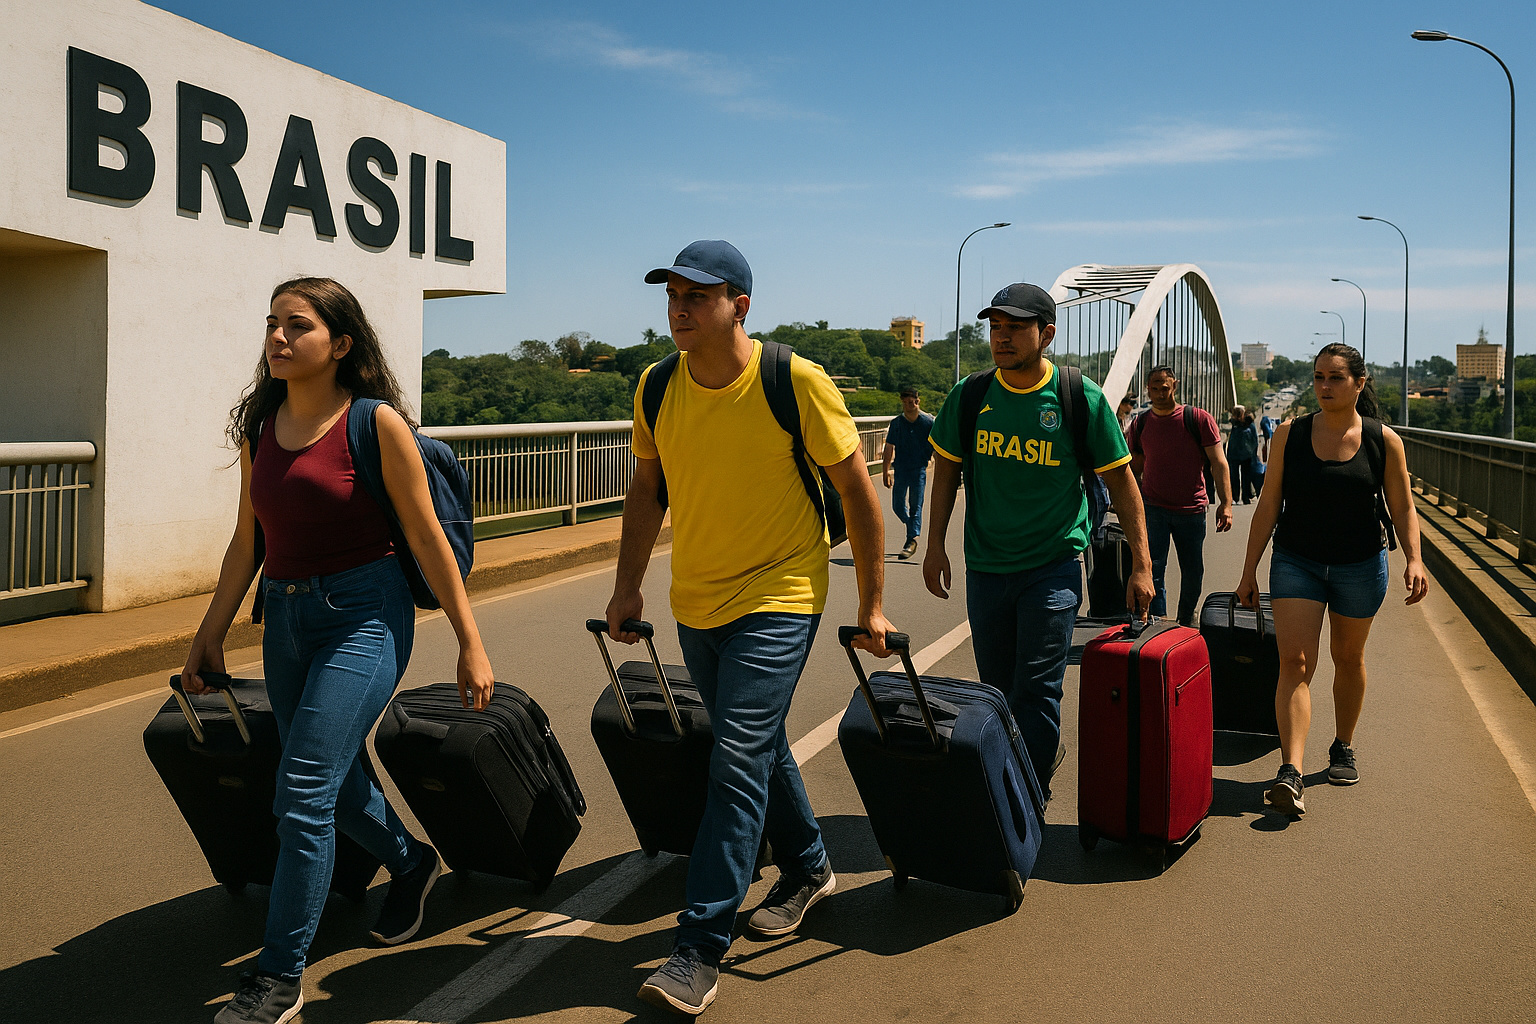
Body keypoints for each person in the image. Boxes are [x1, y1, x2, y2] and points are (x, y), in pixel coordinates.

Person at [182, 278, 495, 1024]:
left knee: (301, 794)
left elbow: (424, 536)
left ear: (341, 343)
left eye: (298, 326)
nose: (279, 339)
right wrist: (209, 632)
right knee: (322, 776)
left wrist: (469, 641)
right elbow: (246, 542)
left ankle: (278, 976)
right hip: (287, 619)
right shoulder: (262, 427)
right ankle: (411, 859)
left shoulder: (374, 423)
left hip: (366, 614)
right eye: (272, 325)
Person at [605, 240, 894, 1016]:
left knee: (732, 758)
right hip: (696, 601)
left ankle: (698, 948)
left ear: (740, 304)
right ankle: (807, 866)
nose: (679, 309)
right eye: (671, 296)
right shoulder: (657, 385)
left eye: (697, 296)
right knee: (755, 745)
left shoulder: (792, 379)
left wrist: (869, 601)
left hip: (782, 592)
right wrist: (628, 587)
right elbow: (646, 490)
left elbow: (859, 495)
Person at [923, 283, 1154, 792]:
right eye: (995, 327)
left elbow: (1121, 480)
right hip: (986, 568)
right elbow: (945, 471)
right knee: (997, 691)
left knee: (1038, 689)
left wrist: (1142, 563)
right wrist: (934, 541)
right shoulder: (972, 395)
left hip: (1053, 567)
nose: (1001, 338)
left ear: (1046, 334)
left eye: (1015, 328)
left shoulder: (1078, 397)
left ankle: (1027, 793)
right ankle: (1014, 775)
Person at [1235, 343, 1428, 816]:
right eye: (1319, 377)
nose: (1324, 386)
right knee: (1296, 662)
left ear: (1359, 383)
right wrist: (1247, 571)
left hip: (1360, 564)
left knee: (1348, 657)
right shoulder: (1289, 435)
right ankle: (1291, 772)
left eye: (1335, 378)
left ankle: (1342, 745)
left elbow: (1403, 505)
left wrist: (1415, 559)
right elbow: (1268, 505)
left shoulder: (1384, 440)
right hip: (1297, 561)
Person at [1127, 366, 1234, 626]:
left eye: (1165, 387)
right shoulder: (1140, 423)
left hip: (1191, 509)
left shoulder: (1197, 419)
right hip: (1153, 508)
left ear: (1175, 385)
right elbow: (1134, 467)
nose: (1161, 392)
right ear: (1147, 389)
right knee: (1153, 567)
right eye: (1155, 388)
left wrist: (1226, 503)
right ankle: (1159, 620)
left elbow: (1218, 462)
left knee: (1192, 569)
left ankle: (1186, 618)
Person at [882, 387, 934, 559]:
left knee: (915, 504)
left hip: (918, 468)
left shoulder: (928, 422)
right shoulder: (897, 423)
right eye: (904, 402)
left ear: (917, 401)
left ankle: (911, 540)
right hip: (901, 468)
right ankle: (912, 527)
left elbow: (937, 447)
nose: (908, 405)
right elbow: (889, 447)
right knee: (897, 506)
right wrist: (885, 471)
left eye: (911, 402)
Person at [1226, 405, 1260, 503]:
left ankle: (1245, 496)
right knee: (1235, 477)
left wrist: (1254, 453)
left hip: (1245, 455)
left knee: (1245, 477)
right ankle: (1235, 497)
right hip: (1235, 454)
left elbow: (1255, 439)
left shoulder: (1249, 423)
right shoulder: (1233, 424)